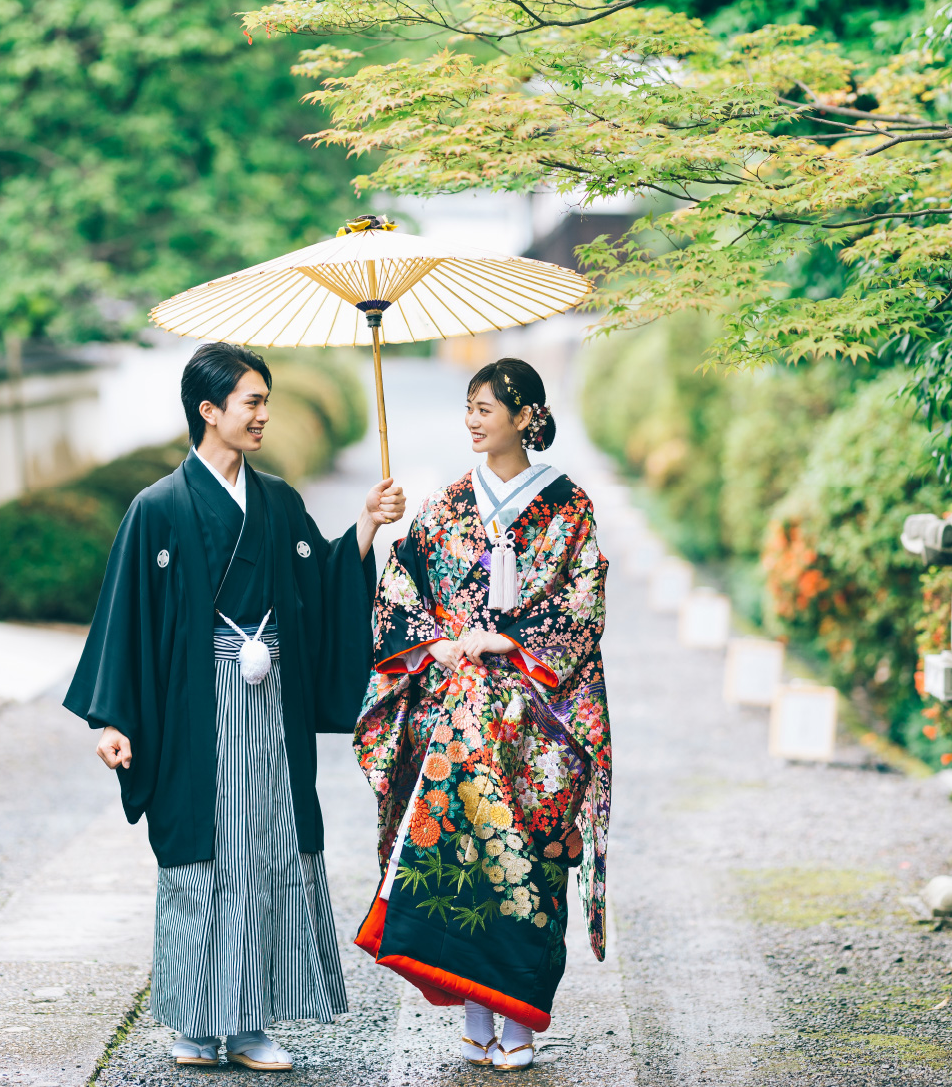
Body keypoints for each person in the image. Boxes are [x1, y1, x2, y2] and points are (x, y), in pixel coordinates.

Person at [62, 341, 406, 1072]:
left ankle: (249, 1023)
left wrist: (367, 528)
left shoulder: (278, 502)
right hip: (195, 704)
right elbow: (127, 618)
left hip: (272, 699)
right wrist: (116, 718)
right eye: (251, 401)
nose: (263, 415)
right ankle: (194, 1022)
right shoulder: (155, 510)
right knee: (200, 855)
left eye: (264, 400)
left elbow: (320, 586)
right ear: (208, 411)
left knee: (268, 848)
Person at [352, 357, 611, 1072]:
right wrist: (433, 642)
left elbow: (583, 599)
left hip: (537, 718)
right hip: (457, 712)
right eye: (468, 406)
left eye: (486, 407)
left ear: (526, 415)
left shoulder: (568, 505)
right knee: (458, 855)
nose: (472, 419)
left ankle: (519, 1023)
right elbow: (404, 588)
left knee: (530, 857)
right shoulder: (444, 504)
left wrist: (509, 640)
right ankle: (474, 1015)